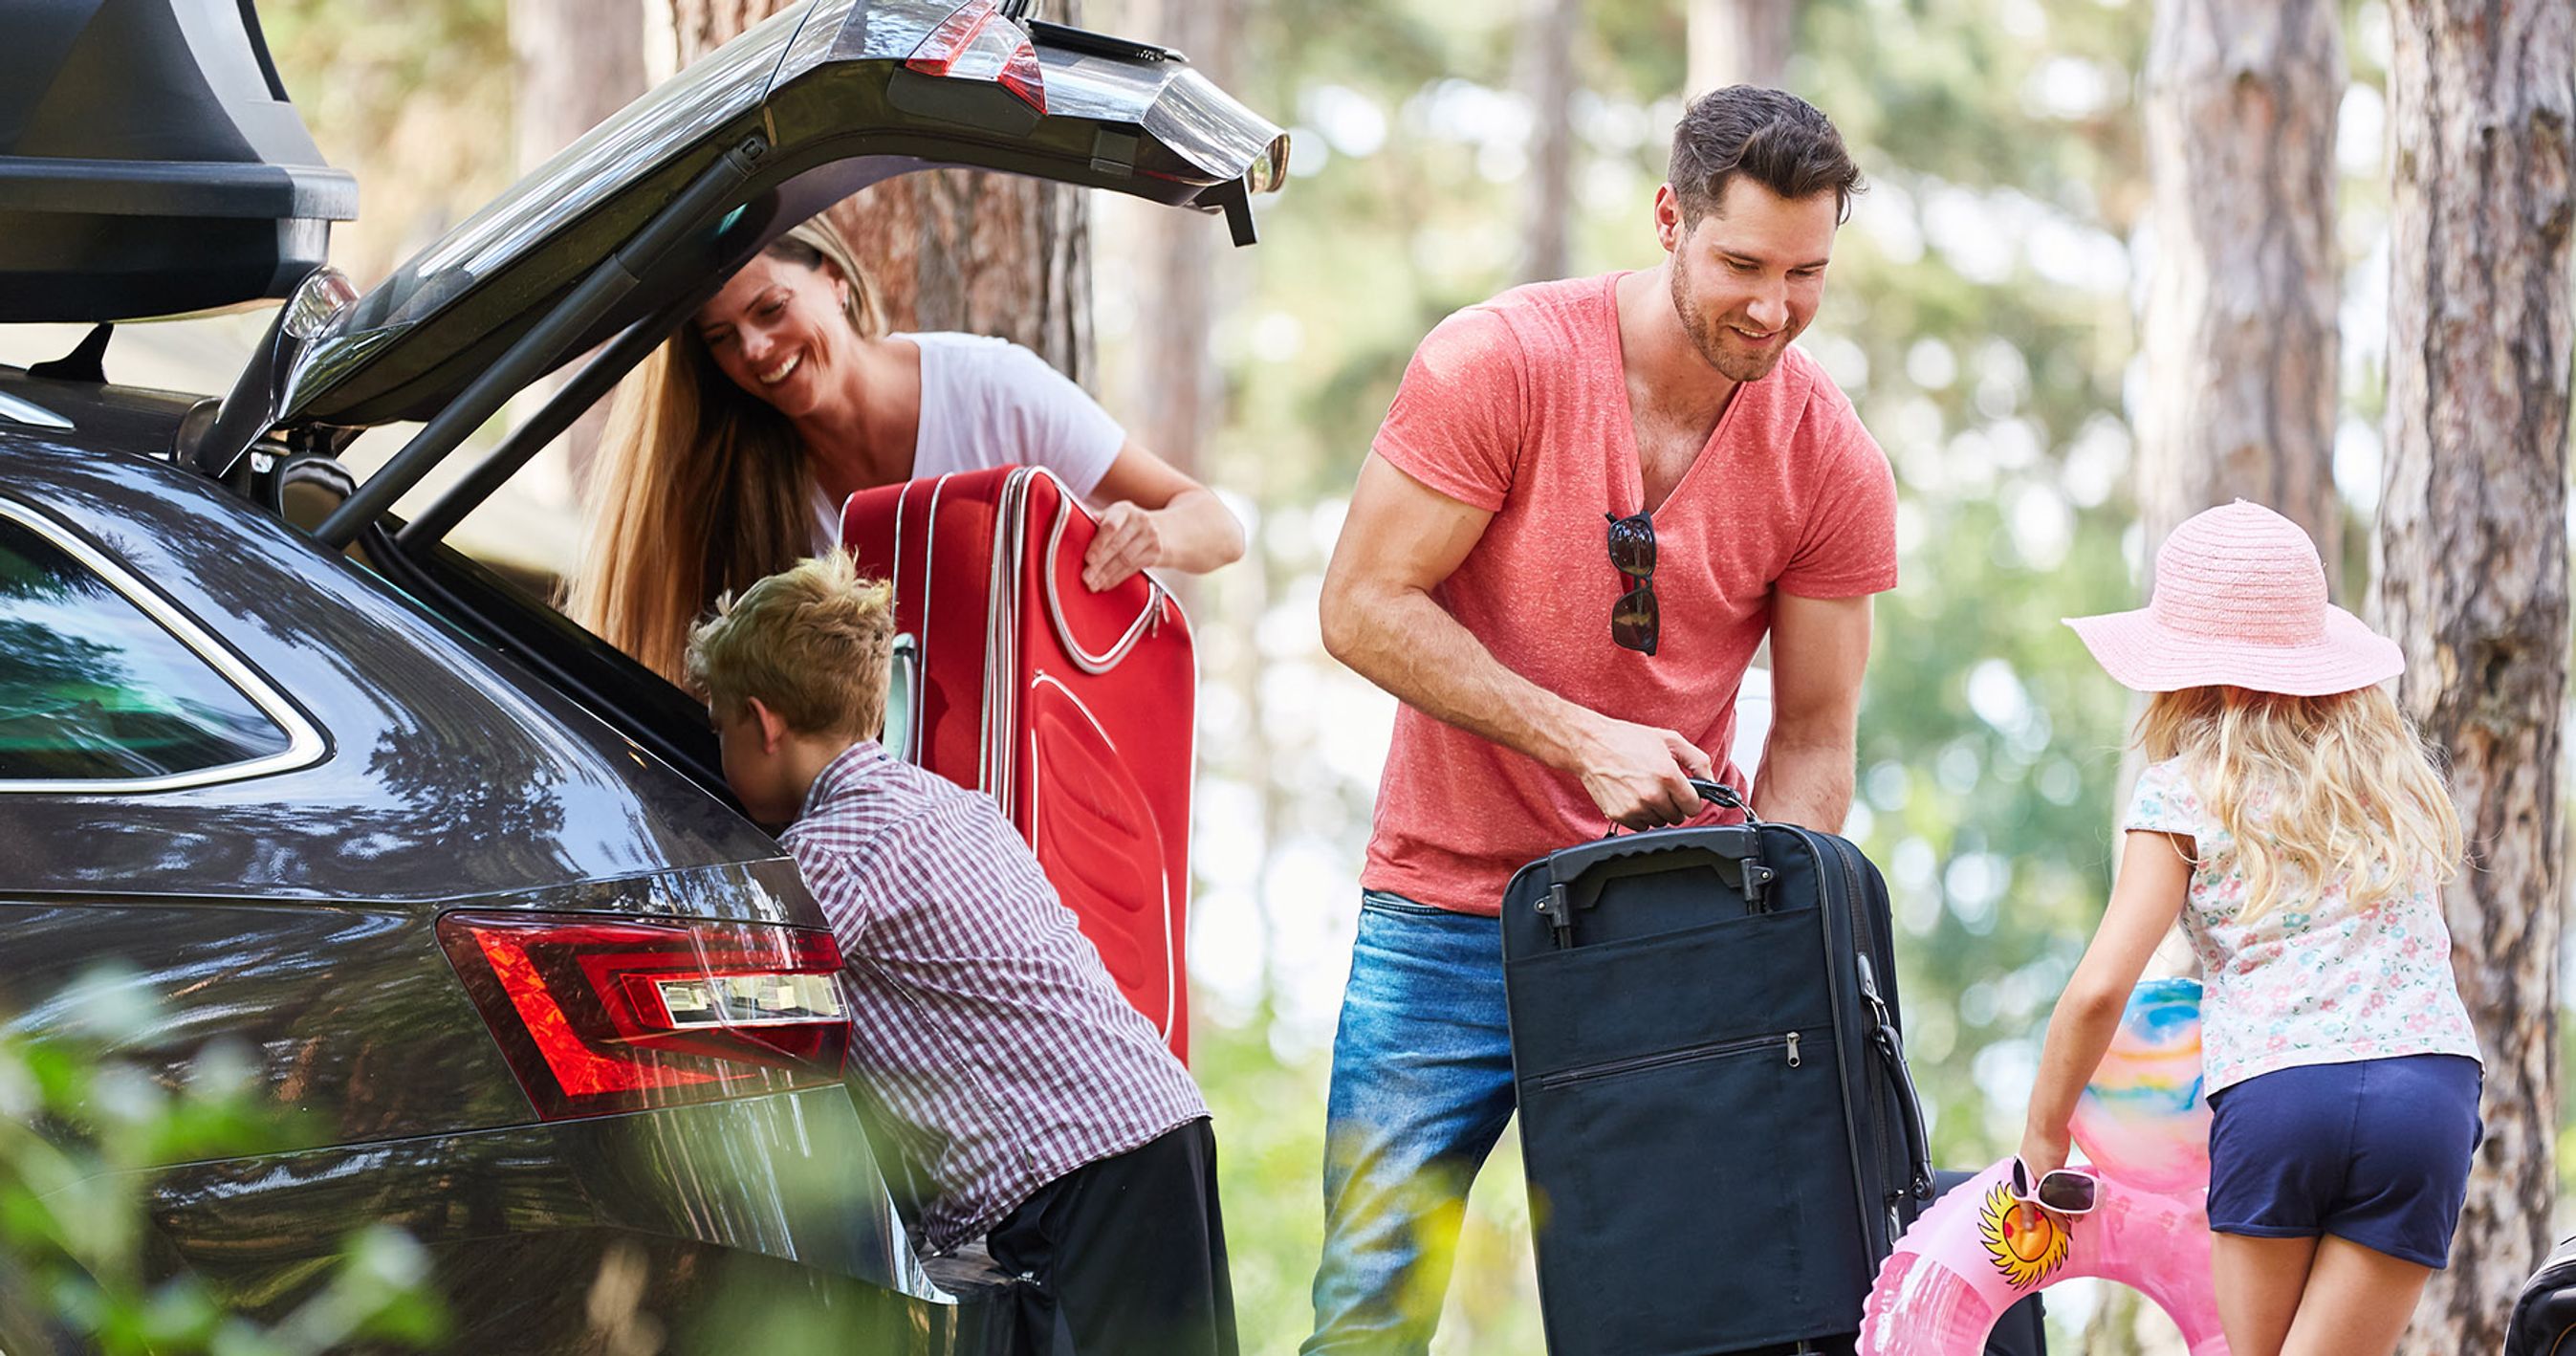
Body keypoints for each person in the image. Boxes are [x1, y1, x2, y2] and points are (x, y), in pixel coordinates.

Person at [1306, 85, 1897, 1352]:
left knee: (1701, 1313)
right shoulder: (1500, 361)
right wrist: (1582, 736)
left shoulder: (1832, 459)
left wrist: (1767, 935)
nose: (1770, 306)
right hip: (1444, 913)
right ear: (1668, 216)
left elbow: (1813, 732)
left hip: (1673, 922)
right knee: (1369, 1308)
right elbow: (1358, 604)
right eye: (1741, 262)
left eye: (1806, 274)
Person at [684, 551, 1238, 1356]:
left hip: (1071, 1180)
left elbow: (722, 995)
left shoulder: (828, 852)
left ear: (763, 724)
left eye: (720, 728)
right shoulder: (958, 806)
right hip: (1155, 1128)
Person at [2020, 500, 2482, 1356]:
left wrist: (2042, 1139)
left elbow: (2098, 991)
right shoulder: (2393, 783)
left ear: (2188, 670)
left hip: (2279, 1093)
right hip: (2428, 1093)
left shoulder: (2183, 789)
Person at [574, 216, 1244, 682]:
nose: (752, 349)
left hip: (1023, 771)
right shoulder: (738, 477)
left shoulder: (993, 389)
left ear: (834, 278)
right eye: (722, 338)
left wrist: (1149, 534)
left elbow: (1217, 525)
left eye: (771, 308)